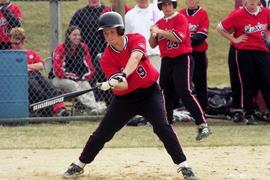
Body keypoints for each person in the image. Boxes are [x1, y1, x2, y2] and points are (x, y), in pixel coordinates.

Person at [63, 12, 197, 180]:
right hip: (125, 99)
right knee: (103, 132)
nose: (109, 36)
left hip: (150, 93)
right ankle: (80, 164)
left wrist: (123, 74)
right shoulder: (106, 58)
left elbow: (135, 57)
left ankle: (184, 166)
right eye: (105, 33)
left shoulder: (135, 38)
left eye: (112, 31)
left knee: (163, 127)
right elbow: (123, 86)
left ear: (120, 30)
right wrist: (112, 83)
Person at [149, 0, 211, 140]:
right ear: (160, 7)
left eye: (170, 4)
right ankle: (167, 125)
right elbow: (152, 45)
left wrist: (159, 31)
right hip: (166, 60)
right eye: (164, 5)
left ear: (174, 5)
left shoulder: (180, 18)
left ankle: (203, 125)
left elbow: (178, 38)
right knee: (164, 92)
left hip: (182, 58)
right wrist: (152, 33)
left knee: (184, 90)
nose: (167, 7)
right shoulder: (159, 22)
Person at [216, 0, 270, 125]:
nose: (251, 2)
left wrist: (267, 39)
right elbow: (220, 27)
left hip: (262, 51)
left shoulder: (266, 13)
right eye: (249, 0)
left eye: (254, 0)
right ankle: (248, 113)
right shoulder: (238, 14)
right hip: (244, 52)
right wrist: (234, 39)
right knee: (247, 82)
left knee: (267, 80)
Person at [9, 27, 69, 117]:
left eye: (17, 43)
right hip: (23, 78)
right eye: (12, 43)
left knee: (50, 87)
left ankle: (60, 110)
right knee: (38, 90)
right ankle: (49, 111)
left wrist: (26, 67)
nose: (14, 46)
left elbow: (40, 65)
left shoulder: (31, 53)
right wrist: (30, 67)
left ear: (23, 41)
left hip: (36, 75)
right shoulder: (9, 54)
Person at [52, 26, 106, 115]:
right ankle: (94, 106)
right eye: (74, 35)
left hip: (77, 78)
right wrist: (76, 78)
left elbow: (90, 69)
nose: (77, 37)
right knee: (73, 84)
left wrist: (82, 78)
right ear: (68, 36)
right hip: (59, 79)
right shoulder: (60, 49)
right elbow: (58, 72)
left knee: (86, 84)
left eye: (79, 35)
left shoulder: (83, 47)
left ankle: (91, 110)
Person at [69, 0, 113, 106]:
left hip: (104, 50)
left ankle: (109, 102)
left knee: (106, 75)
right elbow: (71, 34)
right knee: (88, 76)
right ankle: (89, 104)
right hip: (84, 54)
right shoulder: (80, 14)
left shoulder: (107, 12)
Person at [179, 0, 210, 111]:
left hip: (198, 53)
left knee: (200, 81)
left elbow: (202, 35)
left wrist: (186, 41)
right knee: (182, 81)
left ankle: (202, 109)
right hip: (183, 53)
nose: (191, 1)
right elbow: (177, 32)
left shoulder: (203, 13)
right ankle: (181, 107)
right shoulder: (181, 13)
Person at [125, 0, 163, 71]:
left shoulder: (159, 11)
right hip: (138, 58)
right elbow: (128, 38)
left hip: (156, 56)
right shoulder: (129, 15)